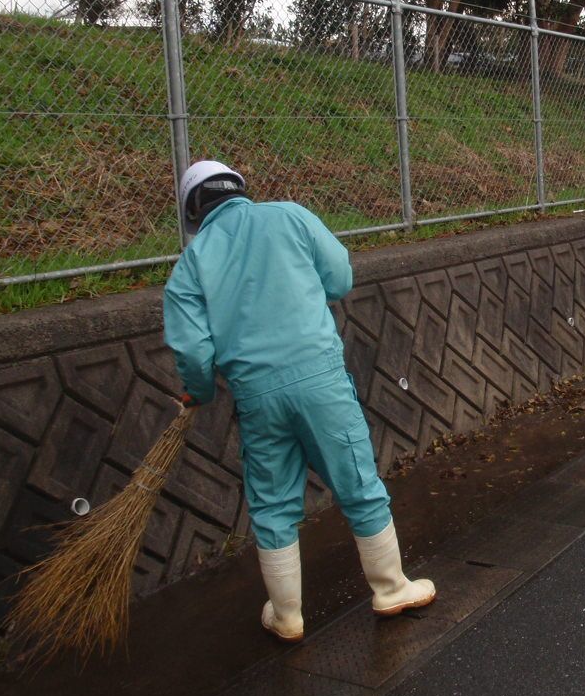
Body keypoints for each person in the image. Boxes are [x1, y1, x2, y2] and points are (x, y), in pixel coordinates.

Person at [163, 159, 435, 642]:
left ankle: (287, 616)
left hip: (256, 396)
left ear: (194, 211)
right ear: (239, 190)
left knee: (272, 502)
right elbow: (340, 278)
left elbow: (192, 349)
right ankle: (391, 588)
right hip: (320, 379)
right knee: (356, 481)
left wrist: (199, 390)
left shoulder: (191, 263)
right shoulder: (291, 215)